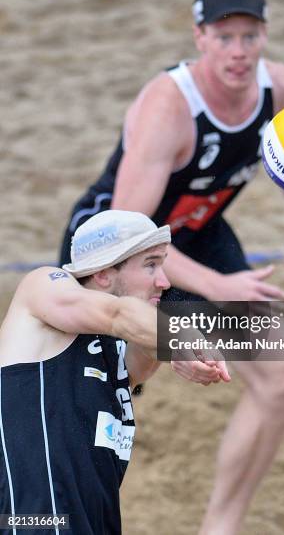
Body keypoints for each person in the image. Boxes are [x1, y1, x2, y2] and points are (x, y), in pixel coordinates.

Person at [59, 0, 284, 534]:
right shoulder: (168, 107)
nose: (238, 51)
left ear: (264, 36)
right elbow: (127, 235)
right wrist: (221, 288)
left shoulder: (276, 90)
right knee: (99, 406)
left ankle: (218, 528)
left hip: (197, 234)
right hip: (115, 252)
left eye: (249, 36)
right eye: (224, 37)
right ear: (199, 37)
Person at [0, 210, 229, 535]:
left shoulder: (112, 351)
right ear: (105, 273)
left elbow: (141, 344)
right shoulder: (44, 289)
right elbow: (119, 314)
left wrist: (175, 346)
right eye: (151, 264)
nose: (164, 281)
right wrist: (180, 336)